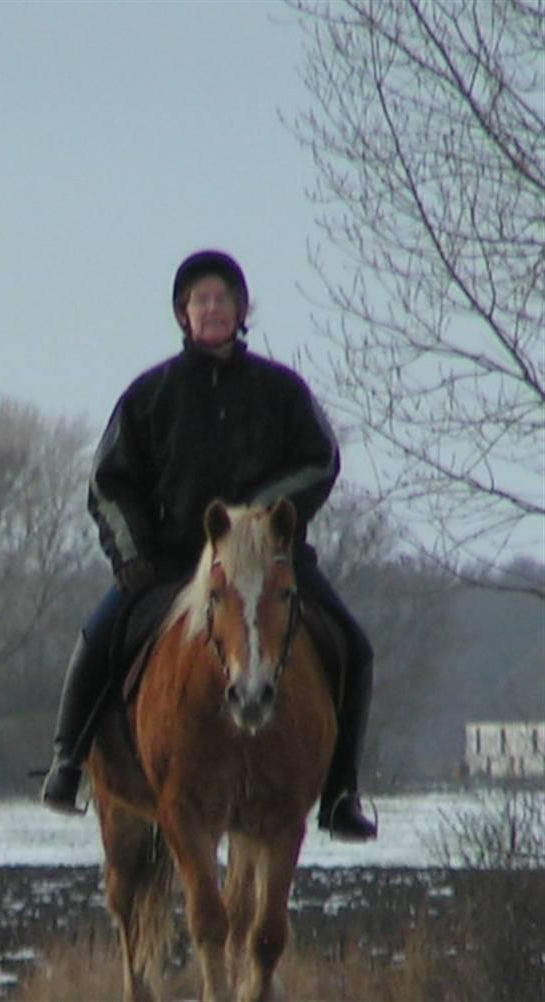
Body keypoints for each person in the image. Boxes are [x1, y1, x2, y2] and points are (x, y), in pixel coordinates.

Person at [41, 250, 377, 841]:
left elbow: (320, 460)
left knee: (352, 644)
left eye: (224, 299)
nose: (213, 309)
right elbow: (108, 483)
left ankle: (340, 794)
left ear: (242, 310)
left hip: (270, 562)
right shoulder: (149, 395)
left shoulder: (282, 391)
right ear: (183, 313)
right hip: (170, 564)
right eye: (201, 300)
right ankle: (68, 762)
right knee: (97, 637)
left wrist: (259, 520)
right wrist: (132, 557)